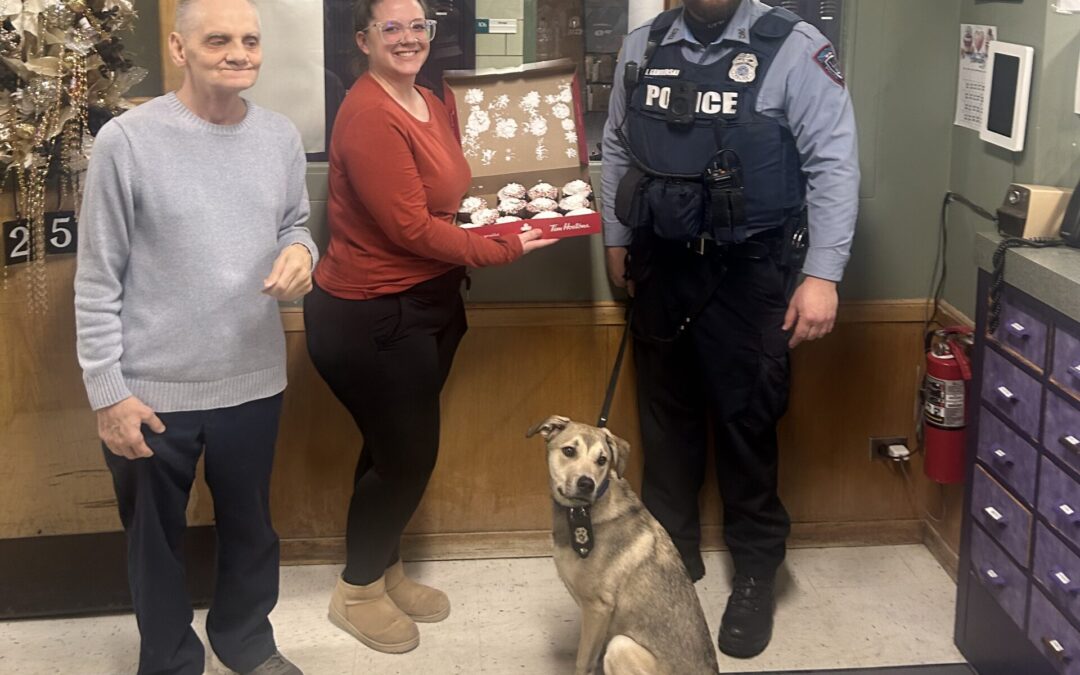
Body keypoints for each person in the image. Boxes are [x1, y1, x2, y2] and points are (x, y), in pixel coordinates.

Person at [600, 0, 859, 660]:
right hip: (661, 262)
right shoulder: (643, 45)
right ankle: (667, 561)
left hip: (751, 271)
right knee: (665, 423)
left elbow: (833, 160)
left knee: (748, 427)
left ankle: (754, 573)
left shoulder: (794, 46)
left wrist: (823, 273)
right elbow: (617, 144)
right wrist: (616, 237)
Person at [303, 0, 556, 655]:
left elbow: (449, 195)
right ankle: (356, 591)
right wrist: (504, 248)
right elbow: (410, 228)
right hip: (371, 316)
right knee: (407, 459)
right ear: (363, 39)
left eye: (420, 26)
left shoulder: (430, 100)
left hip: (428, 306)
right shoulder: (367, 116)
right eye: (393, 27)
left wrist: (509, 210)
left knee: (391, 450)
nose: (410, 37)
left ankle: (384, 570)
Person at [74, 0, 316, 672]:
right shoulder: (127, 141)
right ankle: (172, 658)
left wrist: (303, 253)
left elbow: (295, 224)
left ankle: (246, 640)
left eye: (250, 40)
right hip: (150, 392)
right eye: (218, 40)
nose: (239, 53)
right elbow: (96, 280)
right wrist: (108, 392)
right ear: (179, 50)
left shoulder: (278, 138)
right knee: (154, 543)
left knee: (251, 530)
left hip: (252, 378)